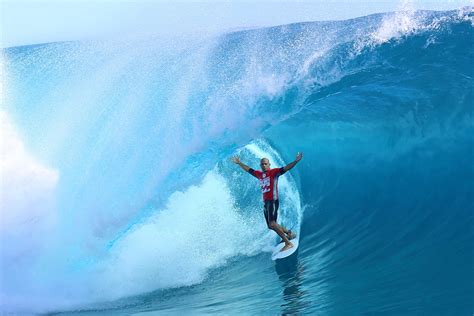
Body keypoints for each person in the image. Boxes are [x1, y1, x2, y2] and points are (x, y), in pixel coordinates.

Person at [232, 152, 303, 252]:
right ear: (260, 166)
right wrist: (239, 163)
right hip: (266, 203)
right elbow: (249, 170)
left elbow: (286, 168)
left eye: (266, 164)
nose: (264, 165)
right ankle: (289, 233)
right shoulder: (259, 175)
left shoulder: (274, 172)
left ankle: (288, 243)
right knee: (270, 226)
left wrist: (296, 161)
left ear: (269, 164)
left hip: (273, 200)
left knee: (273, 224)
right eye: (262, 164)